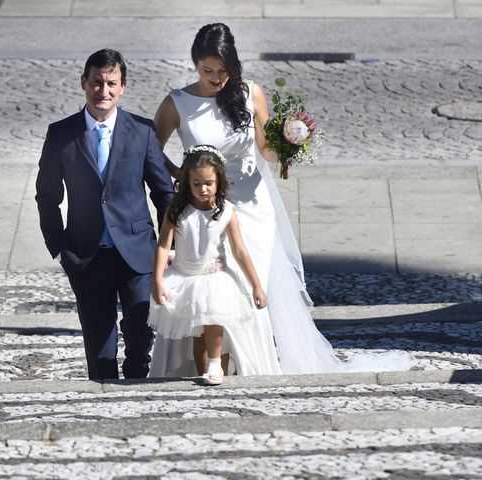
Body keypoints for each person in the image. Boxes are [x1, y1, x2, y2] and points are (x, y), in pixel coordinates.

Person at [149, 23, 415, 377]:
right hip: (202, 208)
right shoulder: (177, 103)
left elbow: (265, 150)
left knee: (242, 286)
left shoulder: (251, 94)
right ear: (195, 65)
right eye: (207, 71)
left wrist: (290, 145)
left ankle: (248, 368)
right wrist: (180, 174)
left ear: (234, 65)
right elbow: (149, 148)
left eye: (222, 71)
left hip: (250, 205)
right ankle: (207, 366)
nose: (215, 78)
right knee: (205, 284)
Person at [35, 49, 175, 380]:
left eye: (112, 83)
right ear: (84, 82)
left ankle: (137, 394)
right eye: (97, 82)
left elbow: (163, 193)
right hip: (87, 256)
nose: (104, 91)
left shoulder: (141, 131)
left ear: (123, 87)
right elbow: (48, 195)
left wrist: (169, 247)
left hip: (138, 254)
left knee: (141, 336)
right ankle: (104, 405)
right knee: (100, 349)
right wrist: (59, 246)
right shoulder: (61, 134)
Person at [148, 145, 272, 385]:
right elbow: (163, 246)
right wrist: (157, 280)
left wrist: (256, 285)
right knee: (198, 334)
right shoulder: (177, 211)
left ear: (219, 181)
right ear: (187, 182)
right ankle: (203, 368)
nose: (203, 189)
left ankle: (216, 364)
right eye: (196, 184)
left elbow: (239, 250)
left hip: (214, 277)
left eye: (208, 183)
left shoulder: (226, 211)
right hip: (185, 277)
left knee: (213, 320)